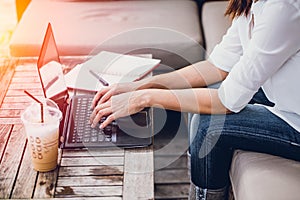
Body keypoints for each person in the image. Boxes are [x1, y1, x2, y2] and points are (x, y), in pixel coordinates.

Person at [90, 0, 300, 199]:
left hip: (296, 121)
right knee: (200, 98)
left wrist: (143, 98)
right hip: (287, 100)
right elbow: (216, 67)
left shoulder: (284, 8)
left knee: (208, 126)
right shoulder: (252, 3)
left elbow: (224, 102)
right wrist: (141, 85)